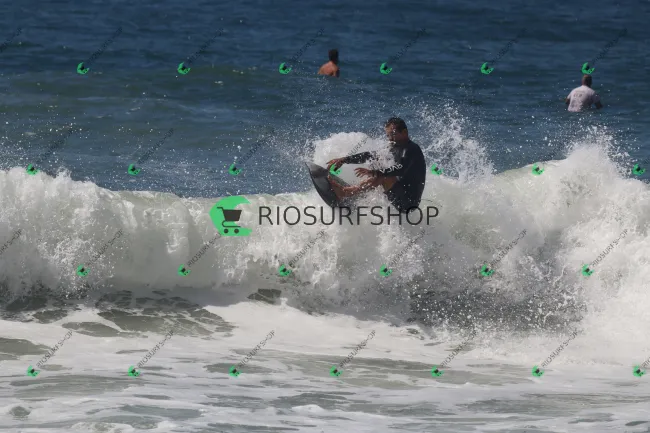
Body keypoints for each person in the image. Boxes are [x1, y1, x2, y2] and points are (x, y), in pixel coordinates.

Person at [326, 117, 426, 214]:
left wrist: (373, 172)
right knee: (377, 161)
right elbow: (370, 155)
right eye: (388, 135)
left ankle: (346, 192)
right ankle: (358, 195)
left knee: (383, 175)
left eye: (393, 134)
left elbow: (401, 168)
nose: (390, 138)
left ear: (404, 132)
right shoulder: (395, 146)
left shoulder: (411, 149)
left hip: (408, 203)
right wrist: (344, 160)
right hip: (398, 192)